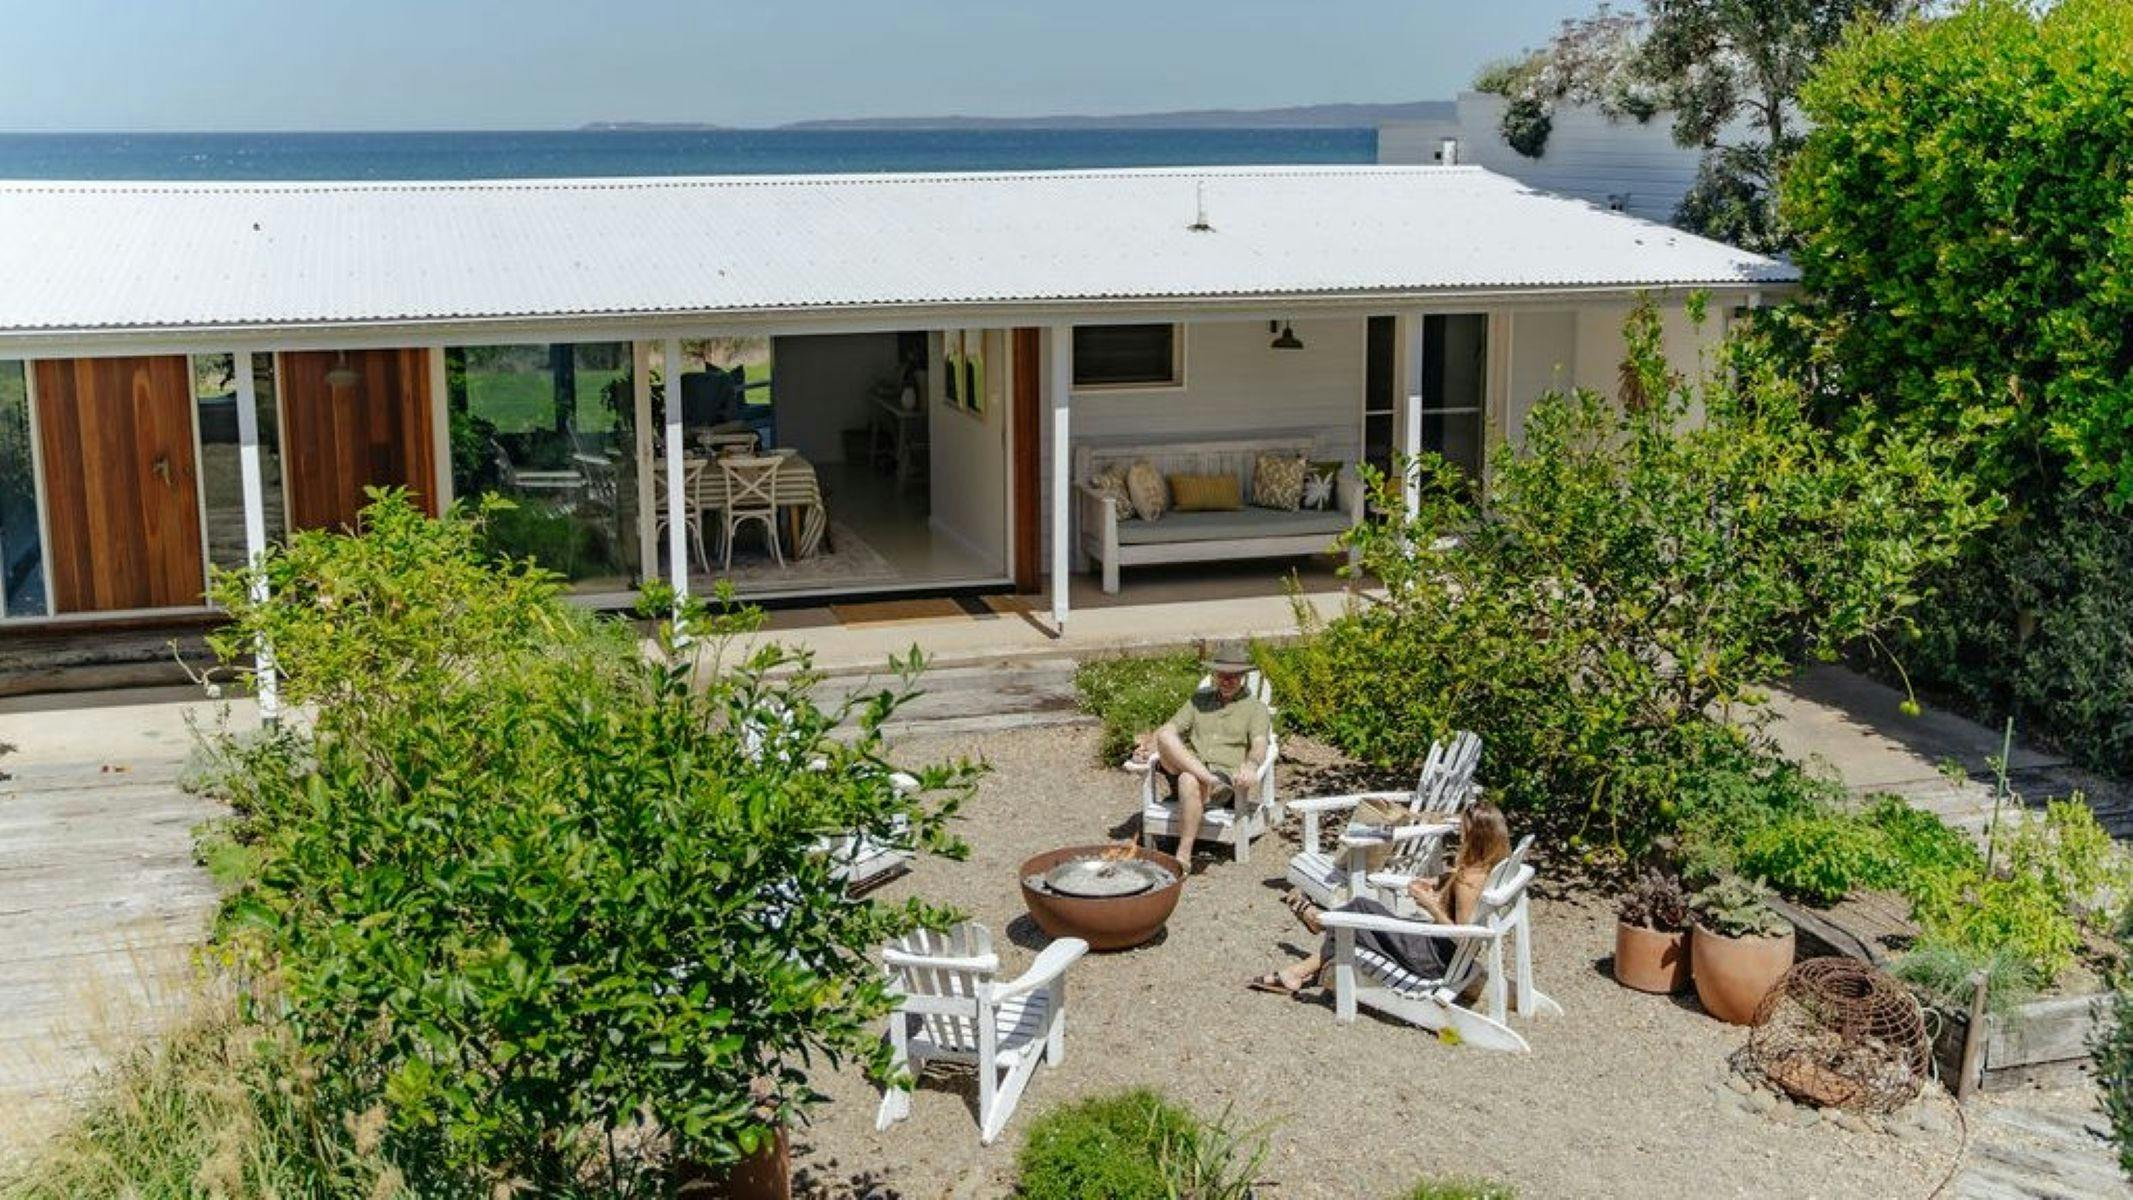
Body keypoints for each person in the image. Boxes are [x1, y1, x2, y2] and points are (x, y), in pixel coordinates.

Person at [1246, 802, 1513, 995]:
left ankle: (1313, 934)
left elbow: (1464, 937)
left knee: (1359, 911)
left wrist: (1430, 905)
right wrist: (1437, 882)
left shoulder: (1469, 881)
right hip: (1439, 950)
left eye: (1464, 829)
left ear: (1477, 835)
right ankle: (1298, 969)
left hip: (1434, 958)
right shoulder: (1487, 866)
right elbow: (1459, 887)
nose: (1460, 833)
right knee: (1364, 908)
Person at [1130, 639, 1271, 872]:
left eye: (1233, 676)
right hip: (1194, 770)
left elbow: (1259, 744)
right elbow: (1170, 729)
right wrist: (1147, 747)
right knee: (1165, 734)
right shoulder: (1199, 700)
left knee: (1188, 779)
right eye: (1221, 675)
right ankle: (1205, 777)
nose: (1226, 681)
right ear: (1214, 674)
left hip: (1222, 780)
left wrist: (1252, 766)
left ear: (1243, 676)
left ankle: (1183, 855)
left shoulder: (1255, 709)